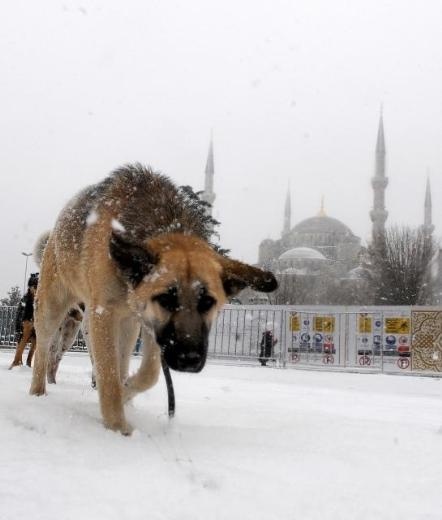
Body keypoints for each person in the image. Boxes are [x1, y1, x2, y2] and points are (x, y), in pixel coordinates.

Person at [9, 273, 39, 369]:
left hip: (36, 321)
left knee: (35, 342)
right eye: (35, 287)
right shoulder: (25, 300)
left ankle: (28, 362)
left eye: (38, 287)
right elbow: (19, 314)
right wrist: (19, 327)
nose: (37, 290)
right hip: (27, 320)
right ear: (30, 287)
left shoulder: (40, 299)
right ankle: (17, 361)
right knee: (24, 338)